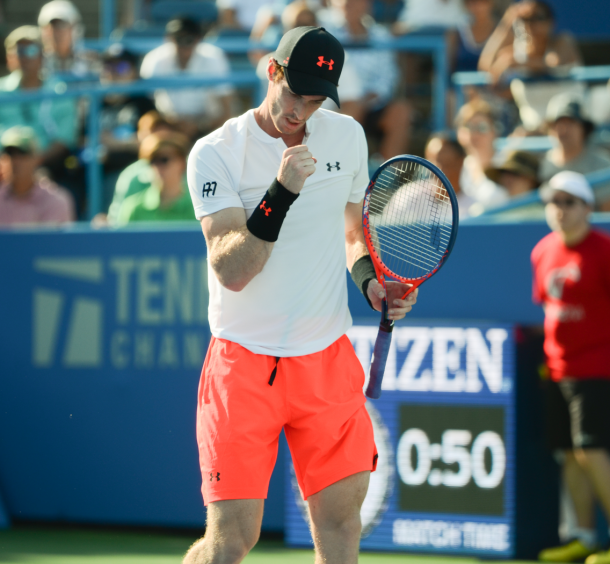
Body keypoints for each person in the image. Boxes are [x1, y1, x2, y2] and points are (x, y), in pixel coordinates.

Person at [184, 26, 418, 563]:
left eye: (316, 101)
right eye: (295, 94)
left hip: (327, 360)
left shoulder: (348, 136)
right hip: (244, 365)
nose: (301, 111)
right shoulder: (214, 152)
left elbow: (353, 232)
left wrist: (370, 283)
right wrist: (281, 192)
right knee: (230, 543)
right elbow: (231, 268)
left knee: (340, 529)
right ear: (273, 71)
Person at [531, 171, 610, 564]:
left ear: (587, 208)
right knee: (570, 453)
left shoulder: (604, 250)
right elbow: (548, 308)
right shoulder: (542, 251)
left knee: (590, 449)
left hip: (597, 369)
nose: (559, 209)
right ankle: (584, 536)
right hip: (559, 370)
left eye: (569, 202)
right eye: (554, 201)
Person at [321, 0, 411, 160]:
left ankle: (387, 180)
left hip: (373, 103)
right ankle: (341, 171)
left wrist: (370, 98)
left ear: (366, 5)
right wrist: (353, 100)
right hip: (336, 103)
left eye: (356, 2)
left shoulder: (381, 35)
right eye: (346, 2)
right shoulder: (324, 34)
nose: (351, 5)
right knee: (352, 108)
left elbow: (388, 75)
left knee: (401, 113)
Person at [0, 26, 79, 172]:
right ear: (8, 57)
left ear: (42, 56)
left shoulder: (59, 91)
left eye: (31, 51)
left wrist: (32, 165)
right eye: (18, 51)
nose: (24, 57)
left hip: (48, 168)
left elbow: (65, 139)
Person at [140, 17, 233, 139]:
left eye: (188, 39)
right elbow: (146, 105)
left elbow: (227, 107)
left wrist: (200, 126)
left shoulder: (214, 57)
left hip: (209, 129)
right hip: (166, 127)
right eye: (178, 39)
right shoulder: (154, 59)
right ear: (169, 39)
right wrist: (171, 124)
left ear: (198, 39)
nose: (183, 45)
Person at [99, 43, 155, 209]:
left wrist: (112, 142)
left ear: (133, 73)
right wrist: (130, 142)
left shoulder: (142, 102)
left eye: (122, 67)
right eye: (108, 67)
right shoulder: (93, 102)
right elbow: (83, 140)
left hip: (135, 168)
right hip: (100, 170)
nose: (114, 73)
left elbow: (150, 141)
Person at [478, 1, 580, 85]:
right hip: (528, 110)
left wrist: (517, 63)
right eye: (524, 19)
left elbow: (554, 64)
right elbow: (485, 65)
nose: (531, 24)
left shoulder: (562, 41)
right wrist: (506, 23)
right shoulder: (517, 49)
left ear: (551, 22)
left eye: (538, 17)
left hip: (568, 107)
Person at [540, 94, 610, 210]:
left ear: (583, 129)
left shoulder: (602, 165)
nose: (563, 130)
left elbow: (606, 215)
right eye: (557, 124)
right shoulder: (543, 163)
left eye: (570, 123)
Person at [0, 126, 74, 225]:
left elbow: (54, 240)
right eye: (10, 154)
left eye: (22, 153)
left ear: (37, 159)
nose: (15, 161)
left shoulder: (56, 201)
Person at [116, 131, 193, 224]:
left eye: (164, 160)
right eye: (152, 161)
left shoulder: (198, 207)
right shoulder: (132, 207)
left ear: (182, 163)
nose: (157, 166)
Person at [455, 99, 509, 211]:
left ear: (494, 131)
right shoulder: (457, 166)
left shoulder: (508, 164)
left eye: (482, 127)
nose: (475, 134)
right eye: (469, 127)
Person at [37, 0, 97, 78]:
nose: (55, 33)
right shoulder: (35, 64)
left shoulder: (91, 62)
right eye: (50, 27)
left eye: (61, 26)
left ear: (74, 29)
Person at [424, 131, 475, 218]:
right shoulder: (407, 197)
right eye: (434, 161)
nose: (439, 169)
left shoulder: (474, 208)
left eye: (446, 163)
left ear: (460, 161)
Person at [453, 0, 496, 73]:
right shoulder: (456, 33)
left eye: (483, 1)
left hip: (492, 84)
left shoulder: (504, 32)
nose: (478, 6)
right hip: (462, 84)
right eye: (473, 1)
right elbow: (448, 69)